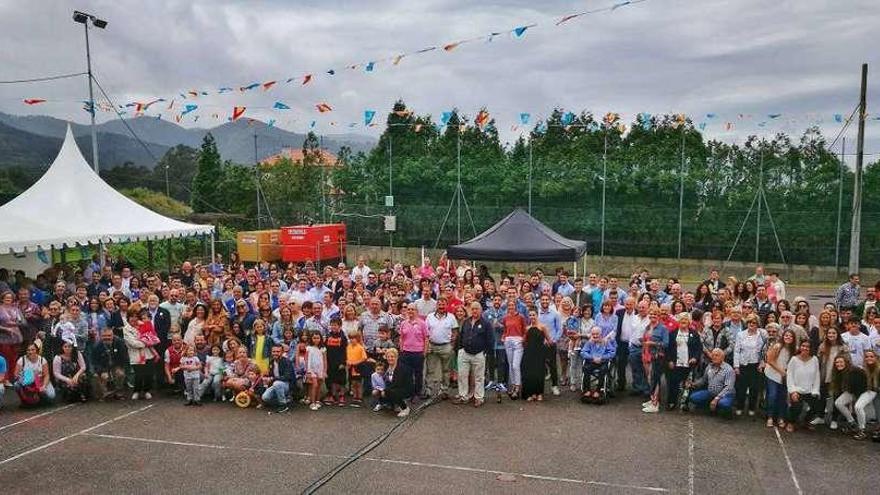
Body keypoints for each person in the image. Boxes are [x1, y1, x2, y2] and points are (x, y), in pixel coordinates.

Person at [453, 302, 492, 407]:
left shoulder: (486, 323)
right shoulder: (466, 322)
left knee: (479, 377)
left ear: (481, 310)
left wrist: (485, 353)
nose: (474, 311)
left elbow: (490, 340)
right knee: (462, 375)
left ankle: (479, 397)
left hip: (479, 354)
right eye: (473, 309)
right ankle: (463, 396)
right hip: (464, 353)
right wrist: (460, 349)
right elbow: (461, 336)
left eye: (477, 309)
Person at [666, 313, 702, 411]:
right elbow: (668, 349)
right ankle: (671, 402)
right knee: (673, 383)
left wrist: (695, 357)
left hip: (688, 364)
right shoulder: (673, 333)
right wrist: (669, 360)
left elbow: (698, 348)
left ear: (689, 322)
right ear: (678, 321)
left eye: (685, 320)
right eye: (682, 320)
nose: (683, 321)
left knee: (687, 384)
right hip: (675, 363)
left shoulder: (694, 333)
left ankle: (684, 403)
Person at [785, 340, 821, 432]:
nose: (805, 348)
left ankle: (806, 421)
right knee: (797, 406)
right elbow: (789, 377)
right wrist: (792, 391)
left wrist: (815, 391)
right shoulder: (794, 359)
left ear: (811, 349)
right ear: (800, 347)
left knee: (816, 406)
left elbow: (817, 376)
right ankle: (791, 422)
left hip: (810, 390)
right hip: (797, 390)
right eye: (803, 346)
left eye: (807, 346)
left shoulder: (815, 359)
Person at [688, 348, 736, 416]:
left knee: (724, 403)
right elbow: (703, 380)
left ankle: (727, 411)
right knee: (693, 397)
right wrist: (693, 384)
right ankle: (709, 407)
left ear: (722, 358)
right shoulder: (709, 367)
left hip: (725, 395)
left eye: (716, 355)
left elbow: (728, 388)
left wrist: (717, 398)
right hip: (711, 393)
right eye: (713, 355)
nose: (714, 357)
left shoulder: (729, 369)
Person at [424, 298, 457, 399]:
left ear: (446, 305)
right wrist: (427, 345)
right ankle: (429, 390)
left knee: (446, 370)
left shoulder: (451, 317)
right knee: (430, 369)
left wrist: (452, 345)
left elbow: (455, 331)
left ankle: (444, 390)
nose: (441, 306)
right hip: (432, 346)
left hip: (446, 346)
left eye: (443, 304)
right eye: (439, 304)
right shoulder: (429, 317)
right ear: (436, 305)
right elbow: (426, 332)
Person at [765, 329, 796, 428]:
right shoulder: (777, 346)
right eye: (786, 335)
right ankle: (769, 417)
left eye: (791, 336)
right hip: (773, 374)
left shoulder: (793, 349)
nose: (788, 337)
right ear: (783, 336)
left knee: (782, 397)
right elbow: (770, 360)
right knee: (772, 395)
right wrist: (782, 372)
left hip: (784, 376)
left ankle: (781, 417)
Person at [831, 355, 869, 437]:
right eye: (837, 362)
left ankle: (862, 429)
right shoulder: (837, 372)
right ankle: (852, 422)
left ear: (846, 363)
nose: (838, 364)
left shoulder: (854, 371)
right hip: (850, 391)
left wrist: (856, 398)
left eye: (841, 362)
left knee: (858, 407)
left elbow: (861, 384)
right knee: (838, 403)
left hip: (862, 391)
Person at [123, 309, 157, 400]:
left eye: (136, 317)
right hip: (135, 355)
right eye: (131, 317)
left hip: (148, 353)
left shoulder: (144, 324)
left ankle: (147, 391)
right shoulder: (126, 329)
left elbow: (153, 336)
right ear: (128, 318)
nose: (134, 319)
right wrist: (146, 342)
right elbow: (133, 343)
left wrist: (148, 341)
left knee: (149, 374)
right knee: (139, 374)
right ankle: (136, 391)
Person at [579, 326, 616, 403]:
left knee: (603, 370)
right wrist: (592, 358)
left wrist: (602, 358)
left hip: (603, 362)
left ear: (601, 334)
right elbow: (583, 352)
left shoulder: (606, 342)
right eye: (593, 334)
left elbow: (612, 353)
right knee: (586, 368)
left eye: (597, 334)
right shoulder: (589, 342)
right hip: (592, 361)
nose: (595, 336)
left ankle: (598, 390)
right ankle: (587, 390)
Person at [91, 328, 128, 400]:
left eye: (109, 335)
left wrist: (116, 368)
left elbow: (124, 358)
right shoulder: (97, 346)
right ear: (101, 336)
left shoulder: (119, 342)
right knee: (101, 376)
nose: (107, 337)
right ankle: (105, 393)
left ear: (113, 335)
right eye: (104, 336)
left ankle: (118, 392)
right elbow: (94, 361)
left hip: (116, 365)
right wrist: (102, 371)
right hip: (103, 367)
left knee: (120, 374)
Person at [521, 309, 551, 402]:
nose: (532, 317)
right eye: (530, 315)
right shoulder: (527, 328)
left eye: (533, 315)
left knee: (539, 373)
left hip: (539, 353)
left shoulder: (543, 327)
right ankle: (531, 393)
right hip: (529, 353)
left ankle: (539, 393)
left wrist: (546, 350)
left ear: (537, 315)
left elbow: (549, 340)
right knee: (530, 374)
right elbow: (524, 341)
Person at [379, 348, 413, 417]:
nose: (390, 358)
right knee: (380, 391)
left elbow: (397, 383)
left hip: (405, 389)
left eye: (392, 357)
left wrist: (385, 390)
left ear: (397, 357)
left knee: (389, 392)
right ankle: (394, 404)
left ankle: (405, 408)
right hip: (395, 388)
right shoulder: (387, 366)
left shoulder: (401, 368)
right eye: (388, 357)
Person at [261, 343, 294, 413]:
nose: (275, 353)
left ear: (282, 352)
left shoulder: (287, 362)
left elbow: (287, 377)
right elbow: (271, 375)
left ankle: (283, 405)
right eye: (274, 351)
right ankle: (286, 400)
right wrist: (266, 377)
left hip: (287, 384)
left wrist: (272, 378)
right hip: (276, 384)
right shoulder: (271, 362)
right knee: (265, 397)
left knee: (277, 383)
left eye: (278, 352)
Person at [323, 318, 348, 405]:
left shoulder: (343, 337)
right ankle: (333, 395)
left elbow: (345, 351)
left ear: (340, 326)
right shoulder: (328, 336)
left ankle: (341, 395)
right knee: (332, 379)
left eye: (335, 325)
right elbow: (325, 349)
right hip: (330, 361)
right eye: (332, 325)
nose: (333, 327)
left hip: (340, 362)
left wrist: (343, 362)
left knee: (341, 380)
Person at [305, 331, 327, 411]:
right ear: (311, 338)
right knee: (314, 385)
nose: (316, 340)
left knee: (319, 386)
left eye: (318, 338)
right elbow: (306, 359)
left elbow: (325, 360)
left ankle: (318, 400)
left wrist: (324, 371)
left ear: (320, 338)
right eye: (314, 338)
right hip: (311, 369)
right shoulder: (309, 348)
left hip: (320, 369)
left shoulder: (323, 348)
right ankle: (312, 402)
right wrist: (308, 371)